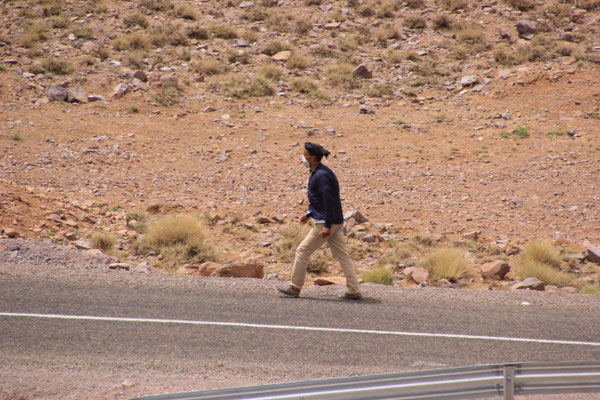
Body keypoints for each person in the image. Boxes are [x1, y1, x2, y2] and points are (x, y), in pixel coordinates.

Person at [277, 142, 362, 300]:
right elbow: (318, 200)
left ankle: (295, 288)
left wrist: (327, 226)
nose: (303, 158)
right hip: (336, 220)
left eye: (305, 155)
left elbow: (328, 200)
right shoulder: (321, 172)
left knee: (302, 251)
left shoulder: (321, 176)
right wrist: (308, 214)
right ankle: (354, 290)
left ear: (313, 157)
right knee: (343, 256)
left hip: (325, 223)